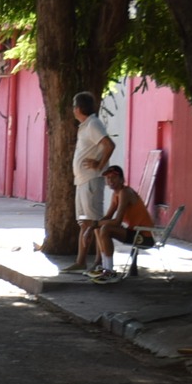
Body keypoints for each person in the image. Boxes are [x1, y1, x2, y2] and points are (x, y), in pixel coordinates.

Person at [64, 91, 115, 272]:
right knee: (85, 222)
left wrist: (99, 164)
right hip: (82, 180)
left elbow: (109, 144)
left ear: (78, 108)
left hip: (91, 180)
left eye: (73, 106)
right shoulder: (85, 125)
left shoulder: (93, 124)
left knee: (95, 222)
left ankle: (100, 261)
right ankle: (81, 261)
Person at [86, 164, 158, 282]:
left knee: (105, 229)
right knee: (100, 228)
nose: (110, 180)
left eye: (114, 177)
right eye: (108, 178)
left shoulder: (125, 192)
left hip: (144, 236)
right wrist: (94, 226)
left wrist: (93, 226)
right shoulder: (116, 194)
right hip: (134, 232)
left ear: (122, 179)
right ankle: (105, 267)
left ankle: (109, 271)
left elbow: (117, 221)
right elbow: (108, 217)